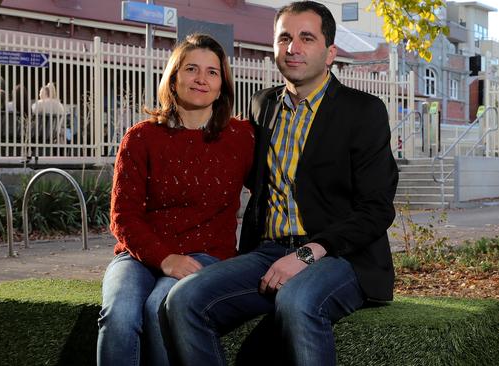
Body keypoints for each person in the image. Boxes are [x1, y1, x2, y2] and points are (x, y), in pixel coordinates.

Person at [163, 2, 399, 365]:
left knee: (296, 300)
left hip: (340, 256)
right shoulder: (263, 106)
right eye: (285, 38)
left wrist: (308, 253)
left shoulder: (363, 111)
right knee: (183, 301)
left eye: (307, 37)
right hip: (268, 252)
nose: (293, 48)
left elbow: (377, 208)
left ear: (330, 52)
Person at [97, 33, 255, 366]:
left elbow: (275, 187)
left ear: (223, 85)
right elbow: (122, 216)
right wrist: (165, 258)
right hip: (137, 256)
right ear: (173, 77)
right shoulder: (141, 137)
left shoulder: (241, 138)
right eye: (191, 69)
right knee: (119, 315)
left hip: (208, 254)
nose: (201, 79)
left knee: (159, 308)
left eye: (212, 72)